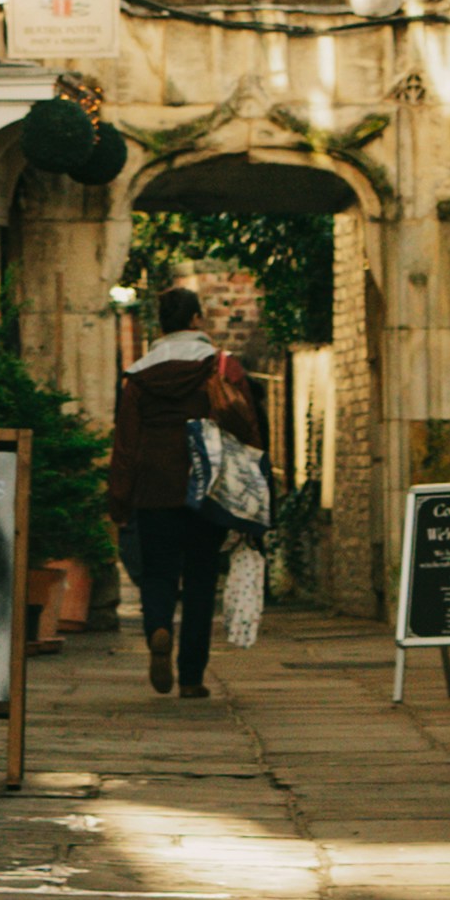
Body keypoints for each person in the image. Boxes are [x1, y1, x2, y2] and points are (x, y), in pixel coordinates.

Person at [106, 280, 263, 697]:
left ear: (162, 325)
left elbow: (125, 444)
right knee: (199, 579)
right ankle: (191, 677)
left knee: (157, 572)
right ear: (196, 319)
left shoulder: (138, 377)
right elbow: (249, 430)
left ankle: (158, 628)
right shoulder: (221, 368)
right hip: (206, 488)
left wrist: (119, 499)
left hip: (154, 488)